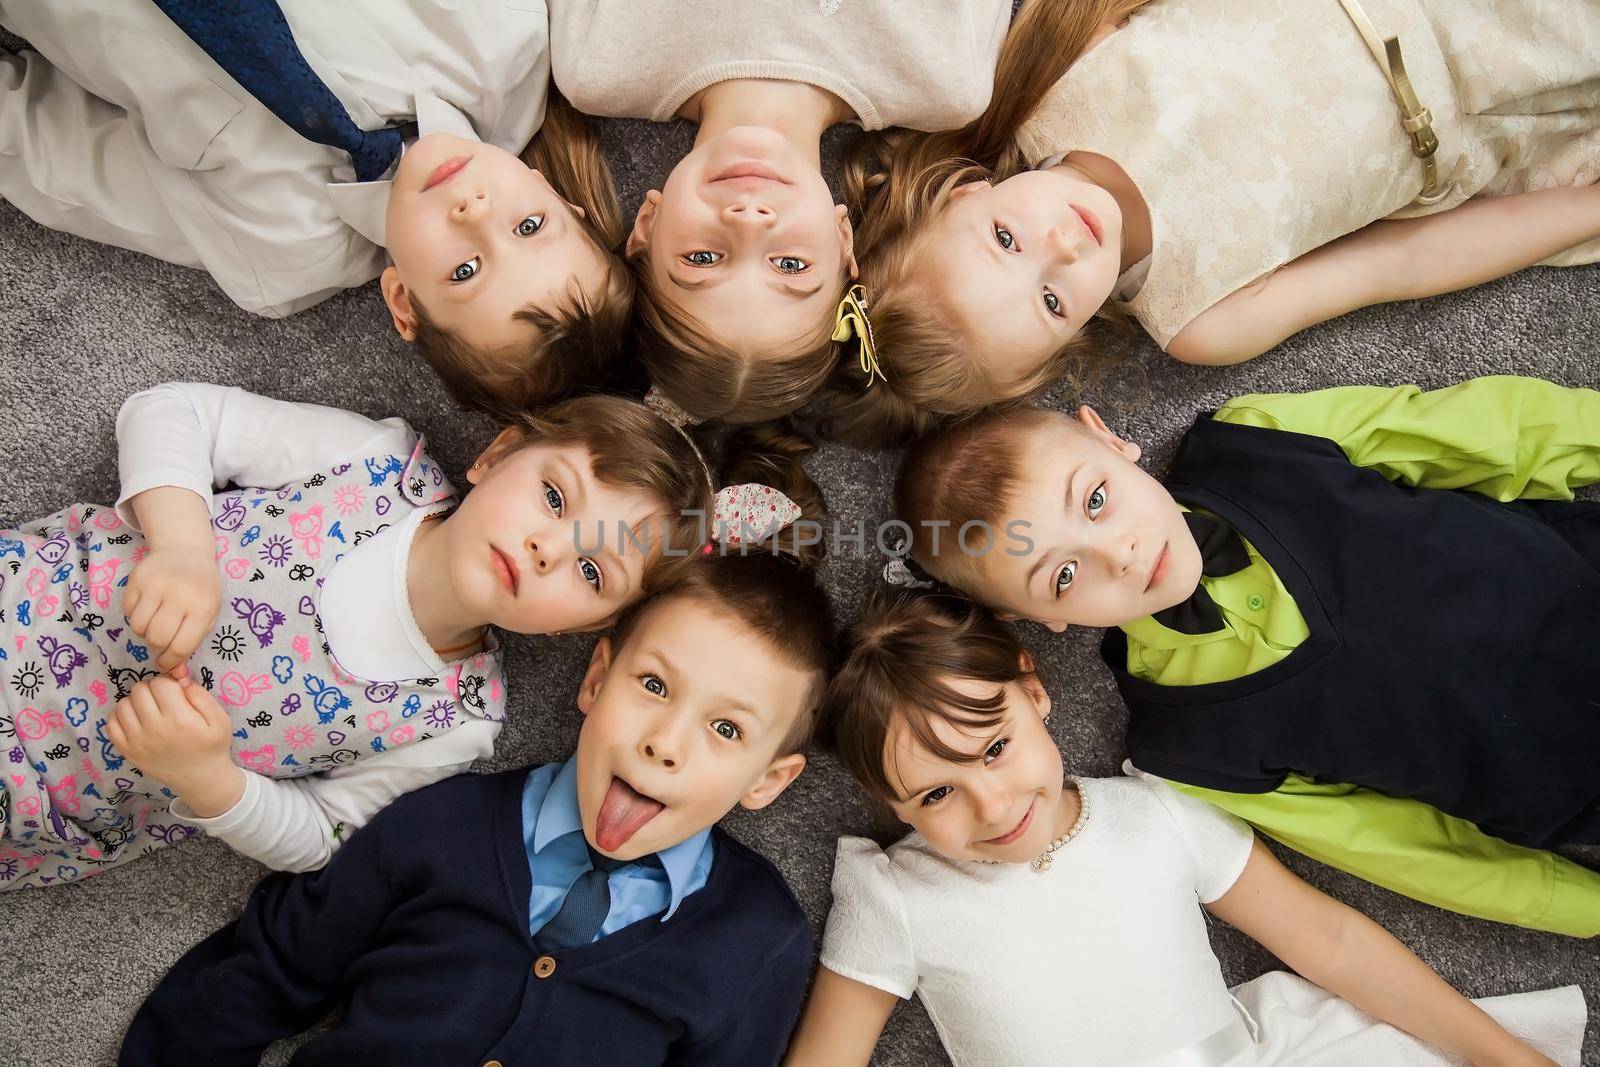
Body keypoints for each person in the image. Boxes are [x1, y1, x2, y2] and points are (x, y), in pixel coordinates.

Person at [119, 484, 837, 1066]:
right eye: (653, 685)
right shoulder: (439, 823)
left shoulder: (756, 937)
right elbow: (267, 968)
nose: (665, 744)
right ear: (595, 679)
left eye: (726, 729)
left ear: (767, 780)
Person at [891, 376, 1600, 936]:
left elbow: (1482, 428)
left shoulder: (1256, 440)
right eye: (1065, 575)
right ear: (1037, 618)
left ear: (1106, 439)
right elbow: (1399, 848)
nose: (1122, 553)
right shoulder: (1189, 747)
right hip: (1571, 781)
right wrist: (1579, 907)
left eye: (1098, 500)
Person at [786, 590, 1586, 1067]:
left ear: (1032, 692)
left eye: (995, 748)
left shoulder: (1157, 811)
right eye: (934, 795)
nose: (992, 806)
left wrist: (1502, 1055)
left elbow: (1327, 940)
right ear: (888, 801)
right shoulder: (895, 894)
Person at [0, 381, 709, 889]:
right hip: (26, 602)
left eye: (590, 568)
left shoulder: (455, 721)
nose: (545, 547)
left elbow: (317, 838)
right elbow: (169, 410)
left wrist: (205, 776)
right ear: (495, 454)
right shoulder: (372, 463)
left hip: (42, 788)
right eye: (554, 497)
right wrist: (182, 547)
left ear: (579, 626)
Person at [820, 0, 1600, 444]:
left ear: (965, 193)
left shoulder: (1050, 75)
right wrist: (1579, 212)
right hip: (1496, 94)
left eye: (1005, 239)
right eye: (1052, 301)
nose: (1061, 247)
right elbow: (1402, 262)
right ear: (1063, 349)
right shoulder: (1196, 316)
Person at [0, 1, 633, 419]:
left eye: (465, 271)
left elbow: (54, 155)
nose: (473, 211)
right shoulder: (502, 40)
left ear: (403, 302)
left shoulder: (275, 252)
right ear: (562, 200)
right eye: (529, 226)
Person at [544, 0, 1009, 423]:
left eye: (702, 258)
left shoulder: (600, 63)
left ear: (645, 228)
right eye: (790, 265)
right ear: (843, 238)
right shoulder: (945, 78)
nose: (749, 222)